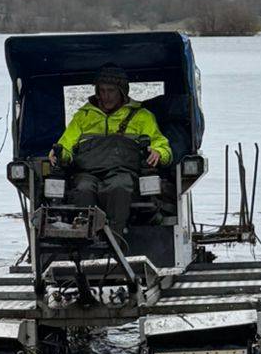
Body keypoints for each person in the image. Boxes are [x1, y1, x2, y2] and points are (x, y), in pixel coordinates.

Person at [50, 64, 171, 241]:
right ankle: (86, 239)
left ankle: (115, 240)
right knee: (83, 189)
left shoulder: (142, 116)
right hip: (87, 173)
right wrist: (58, 153)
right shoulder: (82, 117)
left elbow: (163, 146)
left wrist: (159, 153)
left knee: (118, 187)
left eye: (111, 91)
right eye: (102, 91)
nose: (106, 96)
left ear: (122, 91)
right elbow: (66, 145)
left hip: (123, 172)